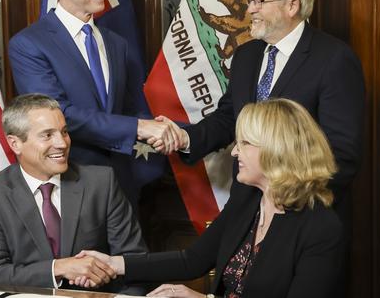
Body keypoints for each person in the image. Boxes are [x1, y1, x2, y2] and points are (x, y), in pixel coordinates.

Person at [150, 0, 365, 224]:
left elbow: (341, 154)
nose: (250, 9)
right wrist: (185, 137)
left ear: (292, 5)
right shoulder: (246, 55)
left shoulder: (334, 59)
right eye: (251, 0)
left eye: (259, 1)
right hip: (245, 207)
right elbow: (230, 118)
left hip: (303, 214)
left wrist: (287, 200)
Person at [79, 99, 345, 297]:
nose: (234, 153)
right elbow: (192, 261)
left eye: (244, 144)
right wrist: (114, 263)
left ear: (277, 152)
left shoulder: (321, 228)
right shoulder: (248, 200)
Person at [8, 0, 174, 202]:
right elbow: (59, 115)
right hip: (69, 184)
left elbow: (132, 106)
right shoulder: (29, 44)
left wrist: (165, 132)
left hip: (122, 184)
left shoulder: (117, 43)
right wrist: (139, 128)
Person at [0, 94, 147, 294]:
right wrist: (60, 268)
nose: (62, 143)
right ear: (15, 143)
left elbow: (135, 262)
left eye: (64, 132)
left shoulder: (102, 182)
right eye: (47, 135)